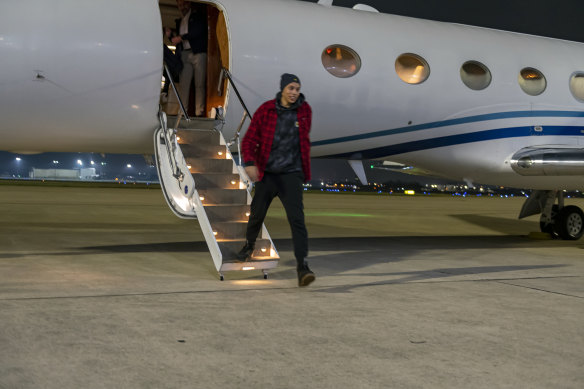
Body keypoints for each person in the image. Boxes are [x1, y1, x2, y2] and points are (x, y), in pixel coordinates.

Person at [236, 73, 315, 287]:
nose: (294, 93)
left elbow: (303, 141)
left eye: (297, 89)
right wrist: (250, 163)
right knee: (257, 214)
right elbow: (250, 139)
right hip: (268, 174)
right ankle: (249, 245)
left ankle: (302, 267)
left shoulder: (305, 110)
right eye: (290, 88)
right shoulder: (266, 110)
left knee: (297, 220)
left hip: (292, 174)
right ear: (282, 89)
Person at [172, 0, 207, 117]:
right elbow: (178, 40)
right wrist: (170, 35)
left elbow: (197, 31)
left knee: (199, 83)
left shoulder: (197, 16)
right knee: (184, 84)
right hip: (185, 53)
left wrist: (181, 37)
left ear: (189, 3)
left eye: (184, 4)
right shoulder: (180, 21)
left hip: (198, 53)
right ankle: (182, 112)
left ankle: (199, 112)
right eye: (180, 5)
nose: (182, 7)